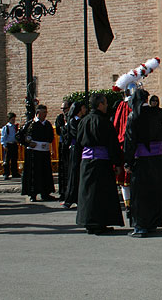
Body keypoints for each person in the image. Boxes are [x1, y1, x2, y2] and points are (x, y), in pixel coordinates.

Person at [76, 93, 124, 235]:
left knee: (88, 193)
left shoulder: (83, 121)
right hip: (102, 162)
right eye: (105, 103)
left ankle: (89, 222)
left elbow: (78, 142)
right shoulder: (104, 122)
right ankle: (100, 222)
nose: (107, 106)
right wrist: (117, 163)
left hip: (86, 162)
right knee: (101, 194)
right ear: (100, 105)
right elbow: (112, 145)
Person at [124, 89, 162, 237]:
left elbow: (130, 139)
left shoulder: (134, 115)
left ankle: (140, 225)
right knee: (155, 190)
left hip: (141, 158)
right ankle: (153, 222)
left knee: (140, 193)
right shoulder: (156, 113)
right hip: (157, 158)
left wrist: (127, 161)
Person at [20, 106, 55, 201]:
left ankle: (45, 193)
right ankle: (33, 194)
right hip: (33, 153)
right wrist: (28, 143)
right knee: (34, 174)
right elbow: (20, 136)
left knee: (45, 173)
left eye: (46, 112)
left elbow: (51, 137)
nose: (45, 114)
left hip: (44, 153)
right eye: (43, 112)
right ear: (38, 113)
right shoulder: (30, 124)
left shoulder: (47, 124)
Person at [62, 101, 87, 209]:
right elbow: (76, 135)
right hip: (76, 149)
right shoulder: (73, 121)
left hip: (82, 150)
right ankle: (70, 198)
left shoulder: (82, 120)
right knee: (74, 173)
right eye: (83, 108)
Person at [55, 101, 72, 201]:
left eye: (65, 108)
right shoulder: (60, 118)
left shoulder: (73, 118)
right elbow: (58, 130)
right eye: (62, 109)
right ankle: (62, 192)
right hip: (62, 145)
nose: (63, 111)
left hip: (70, 146)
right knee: (62, 169)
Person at [0, 113, 20, 180]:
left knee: (14, 159)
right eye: (12, 119)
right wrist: (4, 145)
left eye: (14, 119)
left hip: (14, 144)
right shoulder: (6, 127)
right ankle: (6, 173)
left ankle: (14, 172)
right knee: (7, 160)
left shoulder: (15, 127)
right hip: (8, 144)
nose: (13, 120)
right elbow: (3, 137)